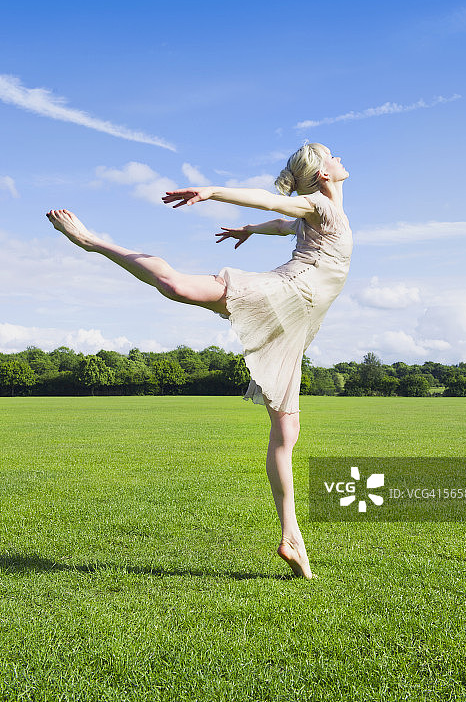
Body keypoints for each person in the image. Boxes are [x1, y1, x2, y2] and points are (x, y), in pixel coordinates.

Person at [46, 142, 352, 579]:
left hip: (296, 321)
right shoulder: (320, 205)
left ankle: (291, 535)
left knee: (288, 431)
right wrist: (212, 191)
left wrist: (249, 229)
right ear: (322, 173)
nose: (340, 158)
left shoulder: (316, 214)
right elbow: (273, 202)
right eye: (332, 155)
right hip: (289, 295)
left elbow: (283, 223)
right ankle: (92, 241)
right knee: (178, 286)